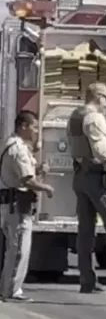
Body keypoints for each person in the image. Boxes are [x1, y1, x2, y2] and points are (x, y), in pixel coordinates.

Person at [68, 82, 106, 295]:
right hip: (97, 176)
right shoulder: (94, 118)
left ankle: (87, 280)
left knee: (85, 231)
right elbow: (101, 150)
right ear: (100, 97)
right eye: (105, 98)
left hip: (80, 175)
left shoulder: (75, 114)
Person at [0, 111, 53, 303]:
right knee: (18, 249)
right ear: (23, 126)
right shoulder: (18, 149)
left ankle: (9, 288)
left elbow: (24, 173)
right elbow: (26, 180)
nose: (36, 131)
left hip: (15, 204)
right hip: (17, 205)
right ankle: (11, 290)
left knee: (16, 248)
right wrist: (46, 188)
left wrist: (39, 170)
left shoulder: (17, 146)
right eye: (34, 127)